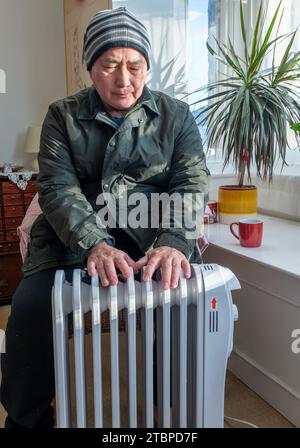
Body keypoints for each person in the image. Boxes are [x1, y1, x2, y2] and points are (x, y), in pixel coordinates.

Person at [0, 7, 209, 428]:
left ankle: (168, 404)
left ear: (147, 66)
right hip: (69, 238)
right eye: (109, 65)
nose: (124, 79)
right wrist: (93, 242)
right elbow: (57, 188)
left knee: (190, 303)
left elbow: (191, 185)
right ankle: (27, 419)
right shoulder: (62, 114)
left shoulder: (176, 115)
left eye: (135, 66)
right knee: (30, 307)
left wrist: (172, 243)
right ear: (90, 67)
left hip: (154, 237)